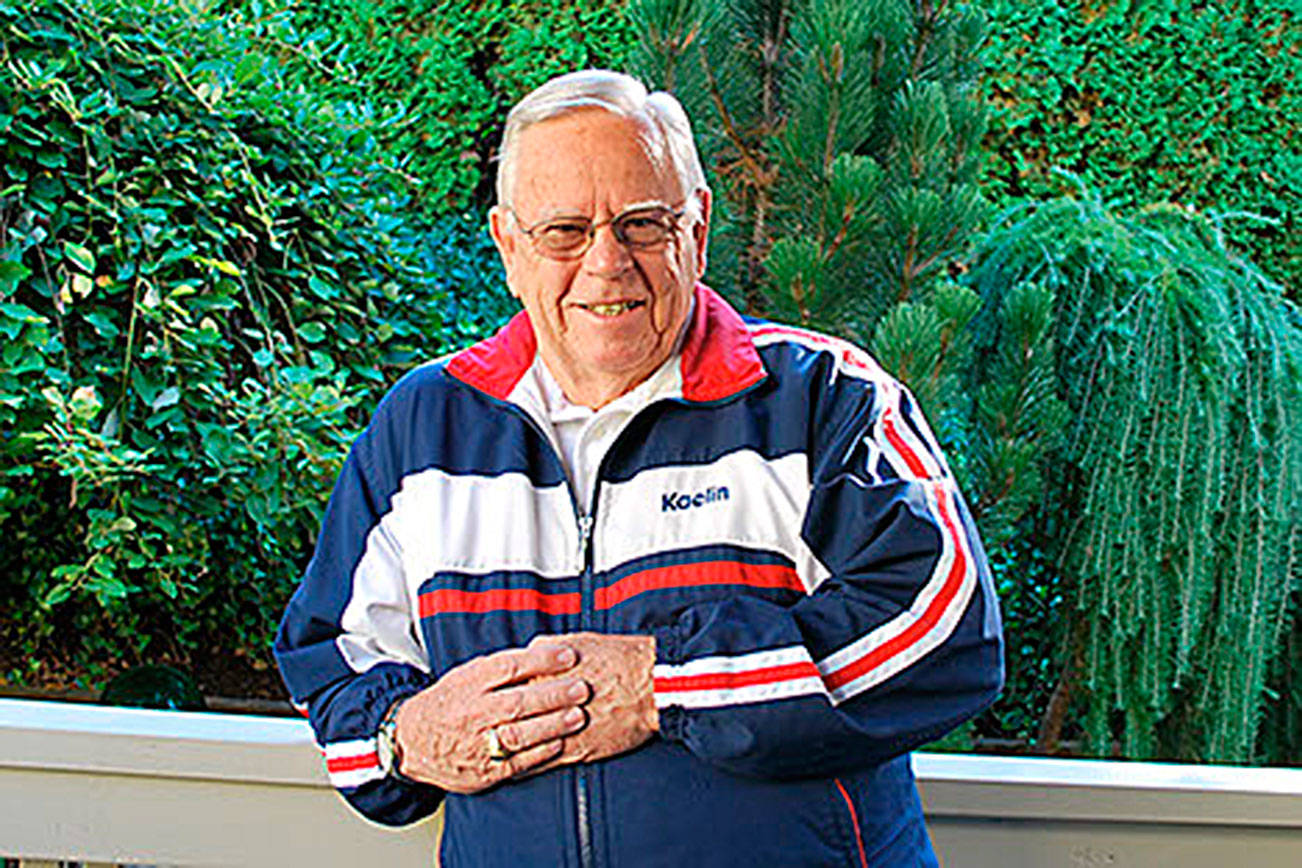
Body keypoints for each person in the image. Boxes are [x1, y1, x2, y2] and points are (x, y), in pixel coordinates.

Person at [274, 69, 1003, 867]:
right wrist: (405, 737)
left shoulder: (822, 398)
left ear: (697, 228)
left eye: (643, 224)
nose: (606, 263)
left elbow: (946, 629)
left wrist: (664, 686)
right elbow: (332, 668)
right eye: (563, 232)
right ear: (508, 246)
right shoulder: (424, 429)